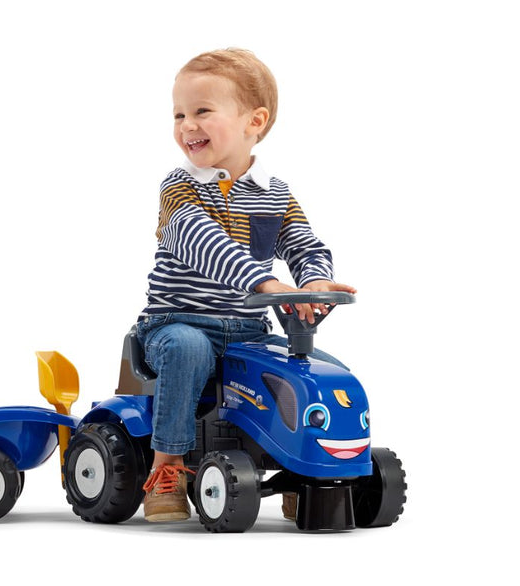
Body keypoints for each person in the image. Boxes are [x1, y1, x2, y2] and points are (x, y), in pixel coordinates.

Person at [137, 48, 356, 522]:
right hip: (175, 324)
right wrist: (262, 280)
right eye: (179, 114)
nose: (186, 126)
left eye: (201, 111)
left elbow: (301, 240)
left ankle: (306, 468)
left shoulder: (274, 192)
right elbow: (199, 239)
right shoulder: (178, 187)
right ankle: (167, 466)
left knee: (319, 369)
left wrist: (314, 278)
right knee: (189, 348)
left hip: (247, 333)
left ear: (254, 121)